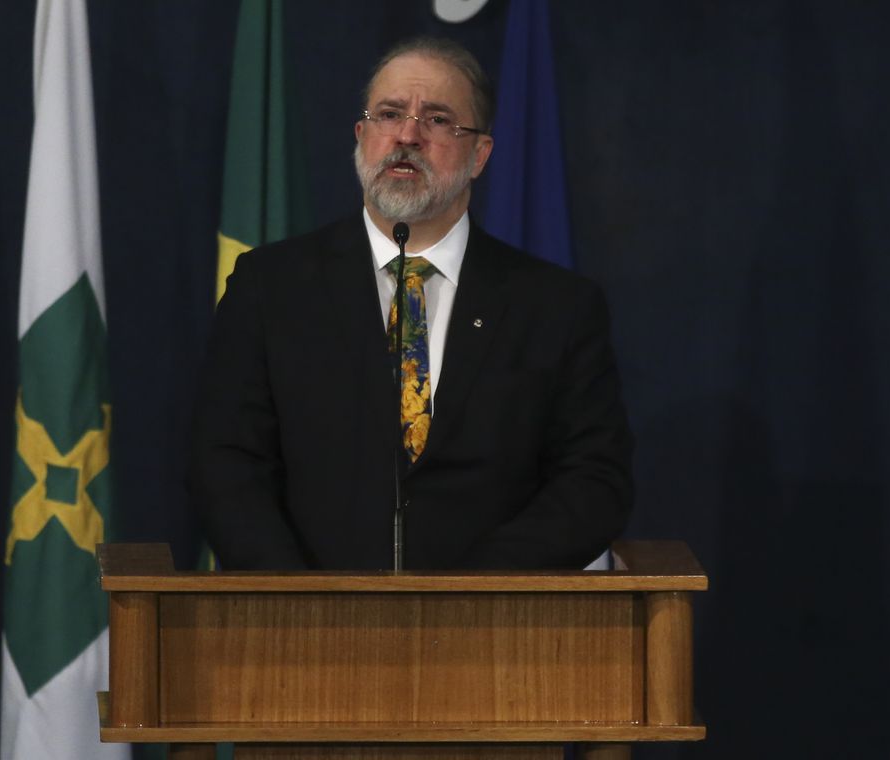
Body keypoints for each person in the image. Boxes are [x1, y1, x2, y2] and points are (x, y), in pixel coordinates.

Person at [188, 37, 632, 570]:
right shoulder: (270, 287)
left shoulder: (556, 306)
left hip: (493, 633)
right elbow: (226, 463)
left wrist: (476, 595)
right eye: (390, 114)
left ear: (480, 155)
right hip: (307, 631)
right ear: (361, 136)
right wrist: (297, 603)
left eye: (438, 120)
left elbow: (593, 480)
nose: (407, 135)